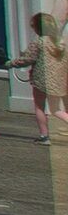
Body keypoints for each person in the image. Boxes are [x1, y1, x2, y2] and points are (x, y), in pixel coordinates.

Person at [34, 8, 68, 143]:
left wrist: (11, 63)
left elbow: (28, 58)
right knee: (56, 109)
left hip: (41, 81)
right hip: (59, 81)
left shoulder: (39, 42)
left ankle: (44, 136)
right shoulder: (61, 43)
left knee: (40, 107)